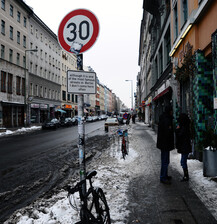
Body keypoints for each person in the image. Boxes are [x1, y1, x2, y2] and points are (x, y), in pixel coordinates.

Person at [157, 105, 174, 184]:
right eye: (171, 111)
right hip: (165, 144)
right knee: (165, 161)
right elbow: (167, 132)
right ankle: (163, 177)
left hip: (163, 143)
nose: (172, 112)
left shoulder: (164, 118)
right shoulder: (166, 120)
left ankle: (165, 175)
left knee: (165, 160)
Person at [175, 113, 192, 182]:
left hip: (184, 146)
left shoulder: (183, 127)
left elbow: (180, 135)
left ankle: (186, 176)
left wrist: (177, 130)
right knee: (183, 161)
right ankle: (186, 175)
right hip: (185, 146)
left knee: (183, 162)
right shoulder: (186, 126)